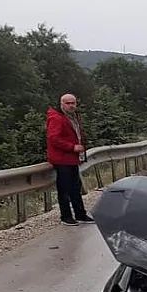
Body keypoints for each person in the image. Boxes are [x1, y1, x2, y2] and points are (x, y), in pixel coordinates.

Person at [46, 93, 93, 225]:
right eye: (68, 103)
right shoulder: (57, 118)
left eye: (73, 103)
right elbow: (53, 139)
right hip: (62, 159)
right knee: (65, 189)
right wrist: (72, 147)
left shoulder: (73, 117)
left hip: (72, 158)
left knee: (75, 187)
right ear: (61, 104)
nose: (71, 105)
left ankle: (80, 214)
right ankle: (66, 216)